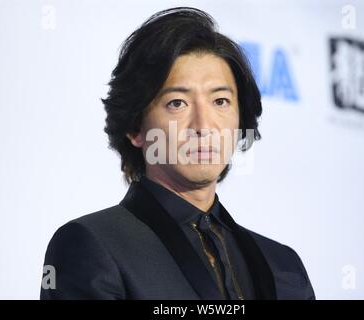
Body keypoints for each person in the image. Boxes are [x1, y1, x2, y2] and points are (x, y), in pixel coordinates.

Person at [40, 7, 315, 300]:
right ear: (135, 127)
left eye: (220, 101)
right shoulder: (91, 245)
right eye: (177, 104)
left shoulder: (282, 264)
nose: (204, 126)